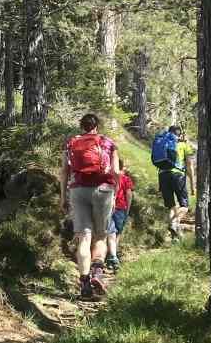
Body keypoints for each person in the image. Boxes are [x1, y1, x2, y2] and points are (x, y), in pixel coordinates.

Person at [60, 113, 120, 299]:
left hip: (78, 191)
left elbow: (64, 172)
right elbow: (116, 171)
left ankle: (84, 282)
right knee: (100, 236)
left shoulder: (71, 143)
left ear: (81, 126)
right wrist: (116, 193)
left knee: (83, 237)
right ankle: (97, 272)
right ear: (97, 126)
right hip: (103, 190)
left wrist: (63, 197)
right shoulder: (108, 143)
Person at [158, 125, 195, 239]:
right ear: (179, 134)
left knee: (171, 206)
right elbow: (189, 165)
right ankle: (175, 222)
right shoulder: (184, 145)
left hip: (163, 175)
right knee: (184, 206)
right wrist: (192, 185)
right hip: (178, 175)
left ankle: (175, 236)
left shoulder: (162, 144)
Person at [105, 160, 134, 271]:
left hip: (107, 207)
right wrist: (128, 209)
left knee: (109, 232)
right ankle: (113, 256)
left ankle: (110, 257)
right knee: (117, 233)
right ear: (123, 167)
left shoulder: (108, 177)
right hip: (121, 208)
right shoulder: (126, 179)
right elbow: (129, 194)